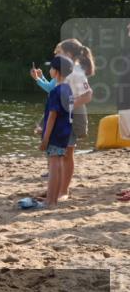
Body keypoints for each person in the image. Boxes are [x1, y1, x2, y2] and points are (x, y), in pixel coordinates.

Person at [31, 39, 94, 199]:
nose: (55, 56)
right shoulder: (64, 71)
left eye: (58, 52)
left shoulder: (77, 72)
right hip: (60, 116)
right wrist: (39, 79)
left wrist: (69, 104)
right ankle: (54, 189)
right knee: (56, 153)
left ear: (68, 54)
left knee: (67, 154)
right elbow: (53, 89)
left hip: (72, 116)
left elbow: (88, 95)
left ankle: (63, 191)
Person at [40, 55, 74, 207]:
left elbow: (52, 116)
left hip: (54, 133)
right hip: (65, 133)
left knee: (53, 166)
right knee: (59, 163)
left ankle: (50, 200)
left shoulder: (55, 92)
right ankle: (53, 198)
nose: (50, 70)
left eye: (51, 68)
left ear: (57, 71)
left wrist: (45, 139)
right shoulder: (69, 89)